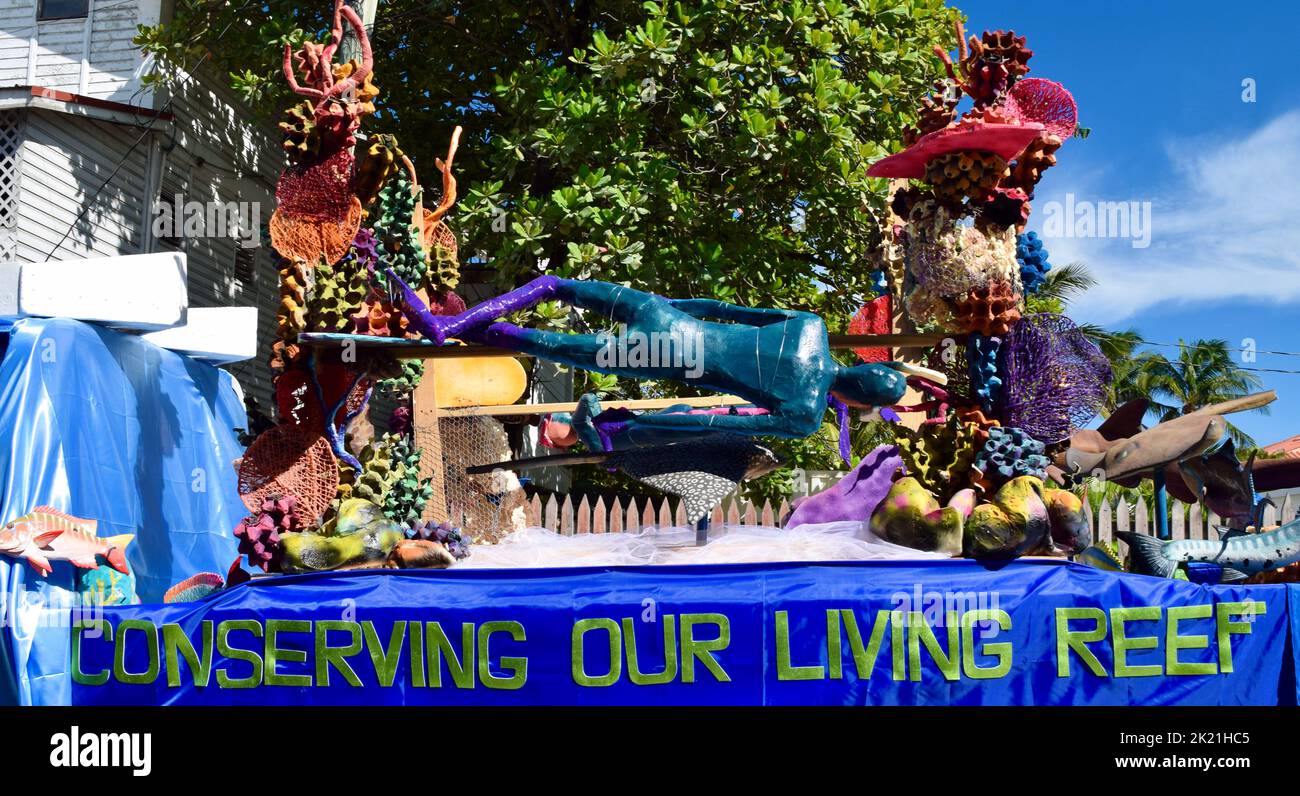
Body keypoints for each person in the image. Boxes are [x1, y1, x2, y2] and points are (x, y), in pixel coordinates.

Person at [389, 271, 929, 441]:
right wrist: (644, 430)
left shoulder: (810, 326)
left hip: (669, 319)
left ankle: (454, 322)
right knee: (553, 345)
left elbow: (725, 309)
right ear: (854, 402)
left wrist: (670, 306)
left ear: (864, 367)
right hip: (666, 355)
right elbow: (714, 423)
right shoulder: (805, 418)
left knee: (555, 284)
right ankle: (449, 328)